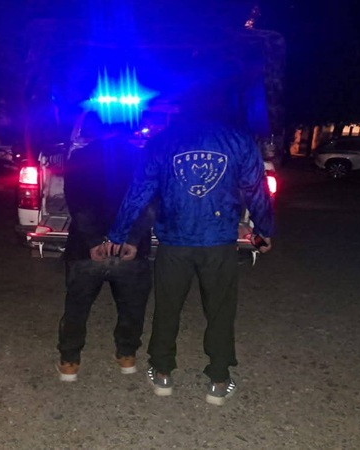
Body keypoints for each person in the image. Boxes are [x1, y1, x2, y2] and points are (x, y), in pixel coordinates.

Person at [107, 83, 275, 406]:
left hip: (175, 241)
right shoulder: (239, 139)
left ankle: (162, 372)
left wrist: (118, 232)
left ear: (182, 107)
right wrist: (264, 229)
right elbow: (256, 189)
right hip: (219, 242)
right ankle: (218, 379)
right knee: (221, 310)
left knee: (168, 307)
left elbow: (139, 190)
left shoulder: (162, 141)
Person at [56, 114, 154, 382]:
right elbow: (148, 205)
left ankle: (70, 363)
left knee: (77, 307)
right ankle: (126, 356)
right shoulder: (142, 159)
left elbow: (78, 205)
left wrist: (93, 241)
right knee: (132, 307)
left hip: (86, 250)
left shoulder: (79, 158)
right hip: (128, 250)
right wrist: (132, 239)